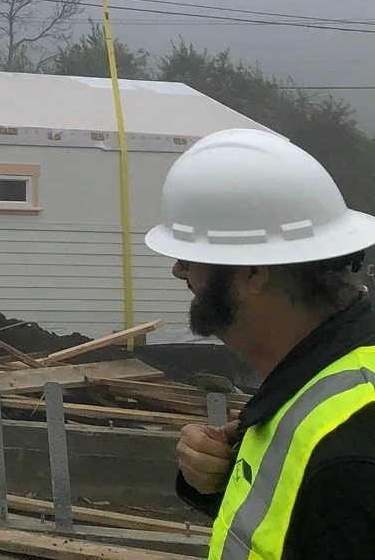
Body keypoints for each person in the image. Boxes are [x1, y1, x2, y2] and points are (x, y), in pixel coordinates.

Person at [144, 127, 375, 559]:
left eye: (190, 257)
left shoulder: (352, 451)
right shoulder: (310, 389)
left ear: (254, 272)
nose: (178, 271)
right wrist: (216, 482)